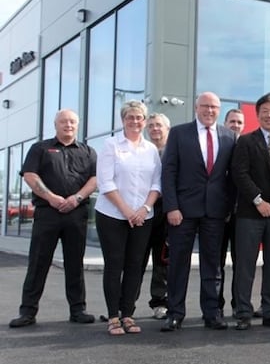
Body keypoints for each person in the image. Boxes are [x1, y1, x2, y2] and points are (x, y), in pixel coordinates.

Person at [9, 110, 97, 328]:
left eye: (72, 121)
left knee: (74, 263)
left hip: (76, 213)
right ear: (55, 124)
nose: (68, 125)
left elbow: (95, 179)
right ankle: (27, 312)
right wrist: (51, 197)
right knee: (38, 262)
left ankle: (78, 310)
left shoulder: (88, 151)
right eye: (63, 121)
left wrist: (76, 198)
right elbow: (30, 175)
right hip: (47, 214)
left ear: (77, 125)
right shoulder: (40, 148)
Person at [160, 91, 236, 331]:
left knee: (212, 266)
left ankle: (212, 314)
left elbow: (232, 177)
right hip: (182, 212)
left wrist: (228, 207)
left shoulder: (229, 136)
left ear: (219, 109)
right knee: (178, 265)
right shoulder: (179, 133)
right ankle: (175, 313)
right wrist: (171, 206)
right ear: (196, 108)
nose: (209, 110)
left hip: (215, 212)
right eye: (205, 106)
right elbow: (169, 172)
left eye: (214, 107)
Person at [95, 101, 162, 335]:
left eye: (139, 118)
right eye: (130, 117)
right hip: (112, 215)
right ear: (123, 120)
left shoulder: (151, 149)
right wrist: (127, 211)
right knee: (115, 265)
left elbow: (156, 183)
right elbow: (106, 182)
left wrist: (144, 209)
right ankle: (113, 316)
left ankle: (128, 314)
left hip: (143, 216)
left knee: (135, 265)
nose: (135, 121)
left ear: (144, 121)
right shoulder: (111, 144)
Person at [230, 94, 270, 330]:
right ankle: (244, 312)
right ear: (257, 114)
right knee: (246, 265)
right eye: (265, 111)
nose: (269, 115)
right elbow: (239, 173)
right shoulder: (246, 142)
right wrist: (259, 200)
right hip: (250, 213)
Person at [142, 112, 170, 319]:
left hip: (166, 213)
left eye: (158, 125)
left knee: (162, 262)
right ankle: (125, 306)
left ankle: (160, 303)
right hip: (142, 212)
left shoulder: (175, 151)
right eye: (150, 125)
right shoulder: (142, 151)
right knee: (135, 260)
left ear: (167, 128)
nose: (154, 129)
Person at [218, 108, 245, 316]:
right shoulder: (217, 146)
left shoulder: (246, 146)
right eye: (232, 121)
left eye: (239, 122)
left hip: (242, 215)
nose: (235, 125)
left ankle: (238, 305)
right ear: (225, 123)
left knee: (241, 263)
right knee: (216, 263)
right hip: (218, 214)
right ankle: (215, 306)